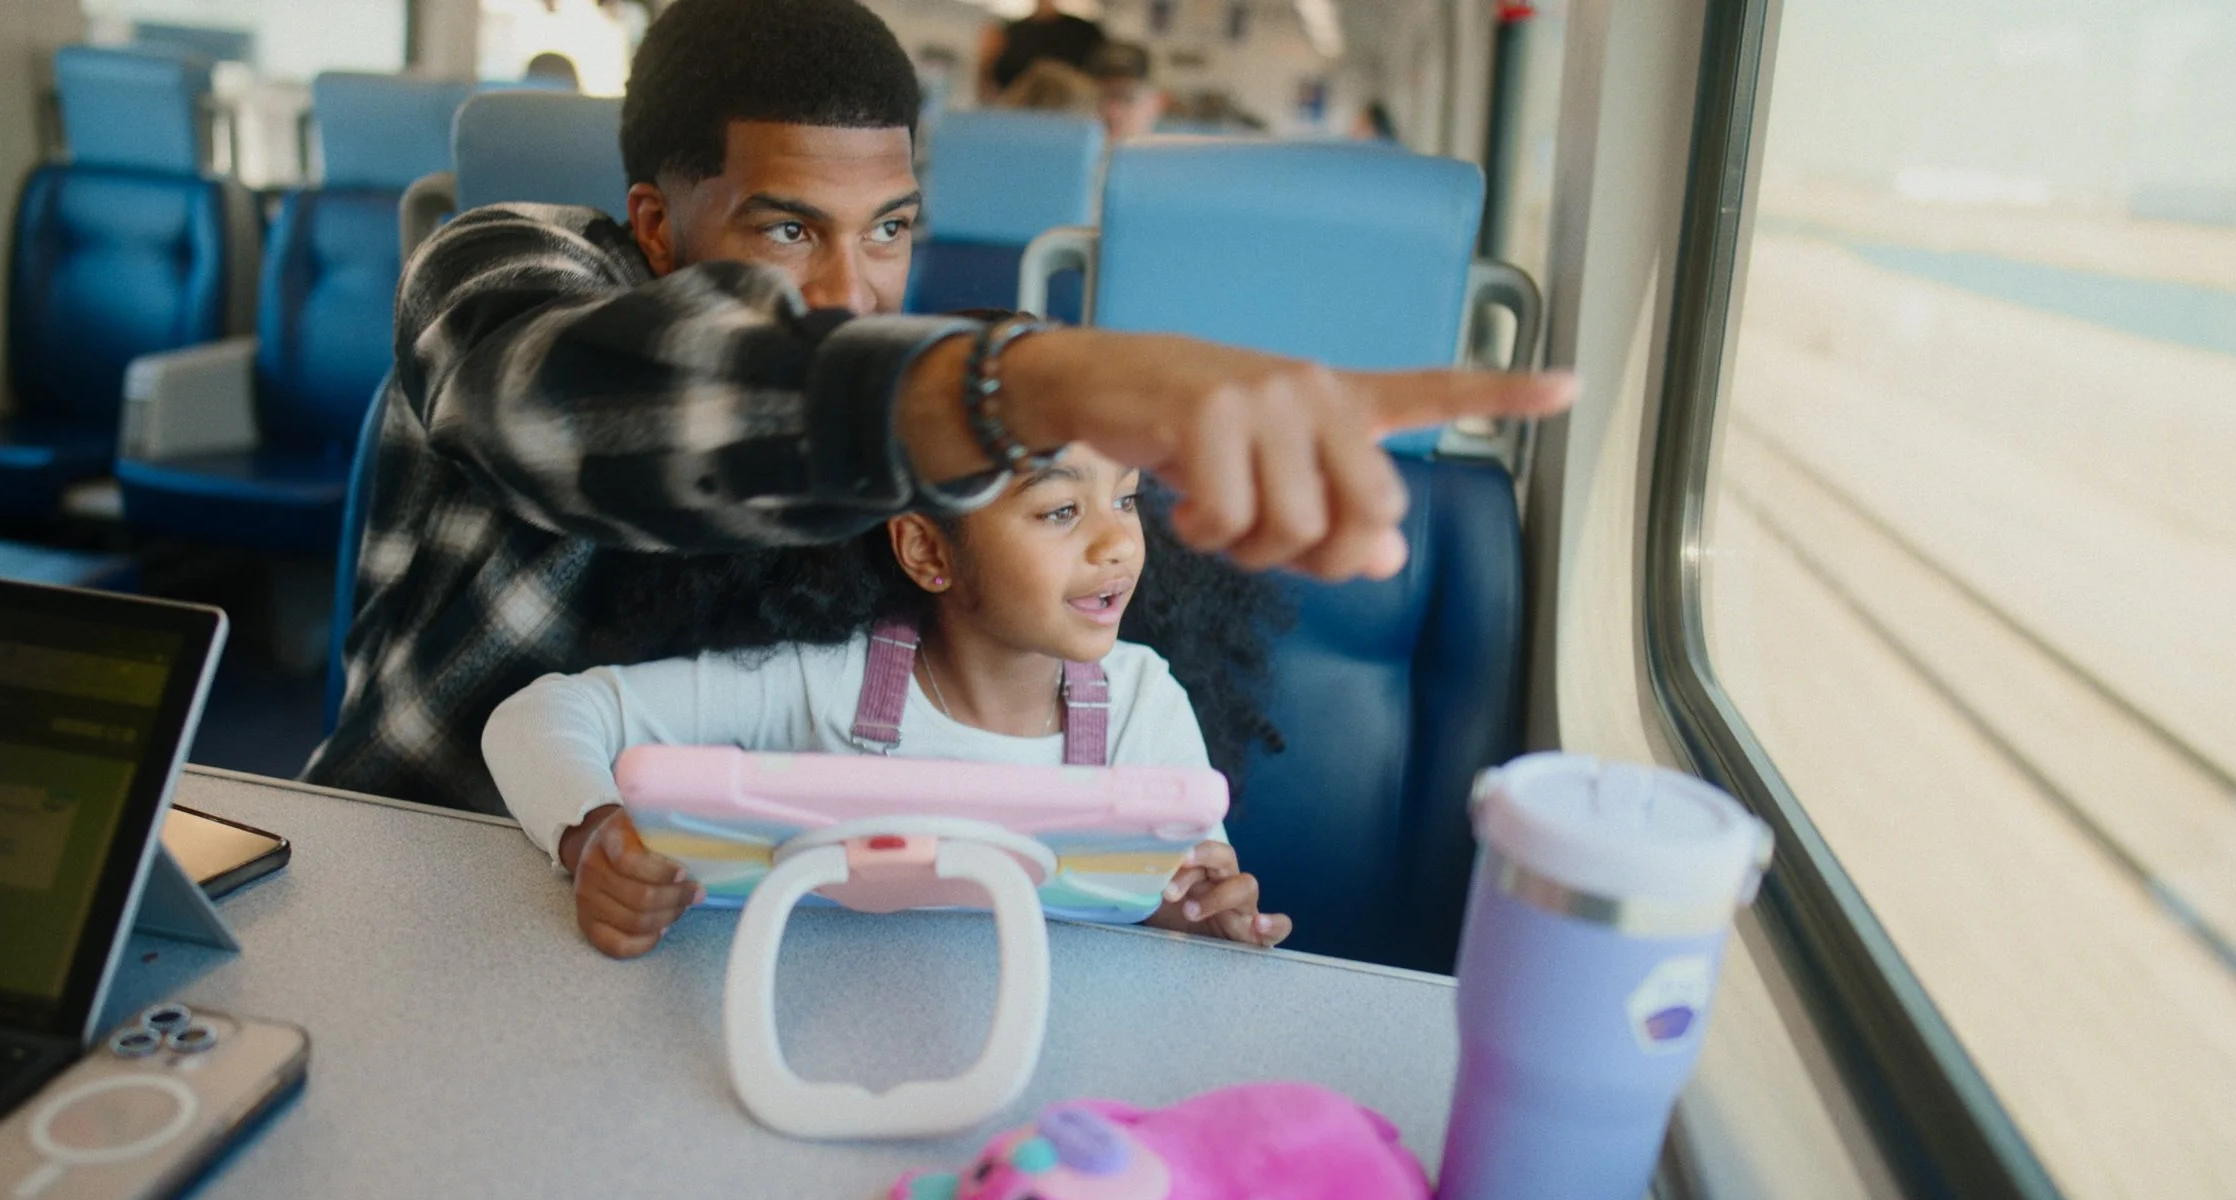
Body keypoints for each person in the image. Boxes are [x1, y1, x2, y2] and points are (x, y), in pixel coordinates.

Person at [303, 0, 1572, 817]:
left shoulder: (909, 435)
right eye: (788, 228)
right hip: (428, 856)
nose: (849, 291)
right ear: (655, 222)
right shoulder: (500, 264)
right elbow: (560, 410)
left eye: (892, 229)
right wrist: (1028, 381)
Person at [485, 446, 1290, 957]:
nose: (1119, 542)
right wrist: (595, 839)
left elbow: (1170, 901)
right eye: (1060, 510)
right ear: (927, 550)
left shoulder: (1143, 704)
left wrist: (1192, 920)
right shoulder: (822, 679)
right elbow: (540, 715)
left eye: (1126, 498)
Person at [976, 0, 1105, 104]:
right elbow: (989, 90)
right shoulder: (1010, 34)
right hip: (1021, 116)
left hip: (1071, 111)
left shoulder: (1084, 32)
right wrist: (986, 63)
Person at [1088, 40, 1164, 141]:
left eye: (1127, 99)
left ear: (1156, 104)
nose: (1113, 114)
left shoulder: (1177, 152)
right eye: (1102, 99)